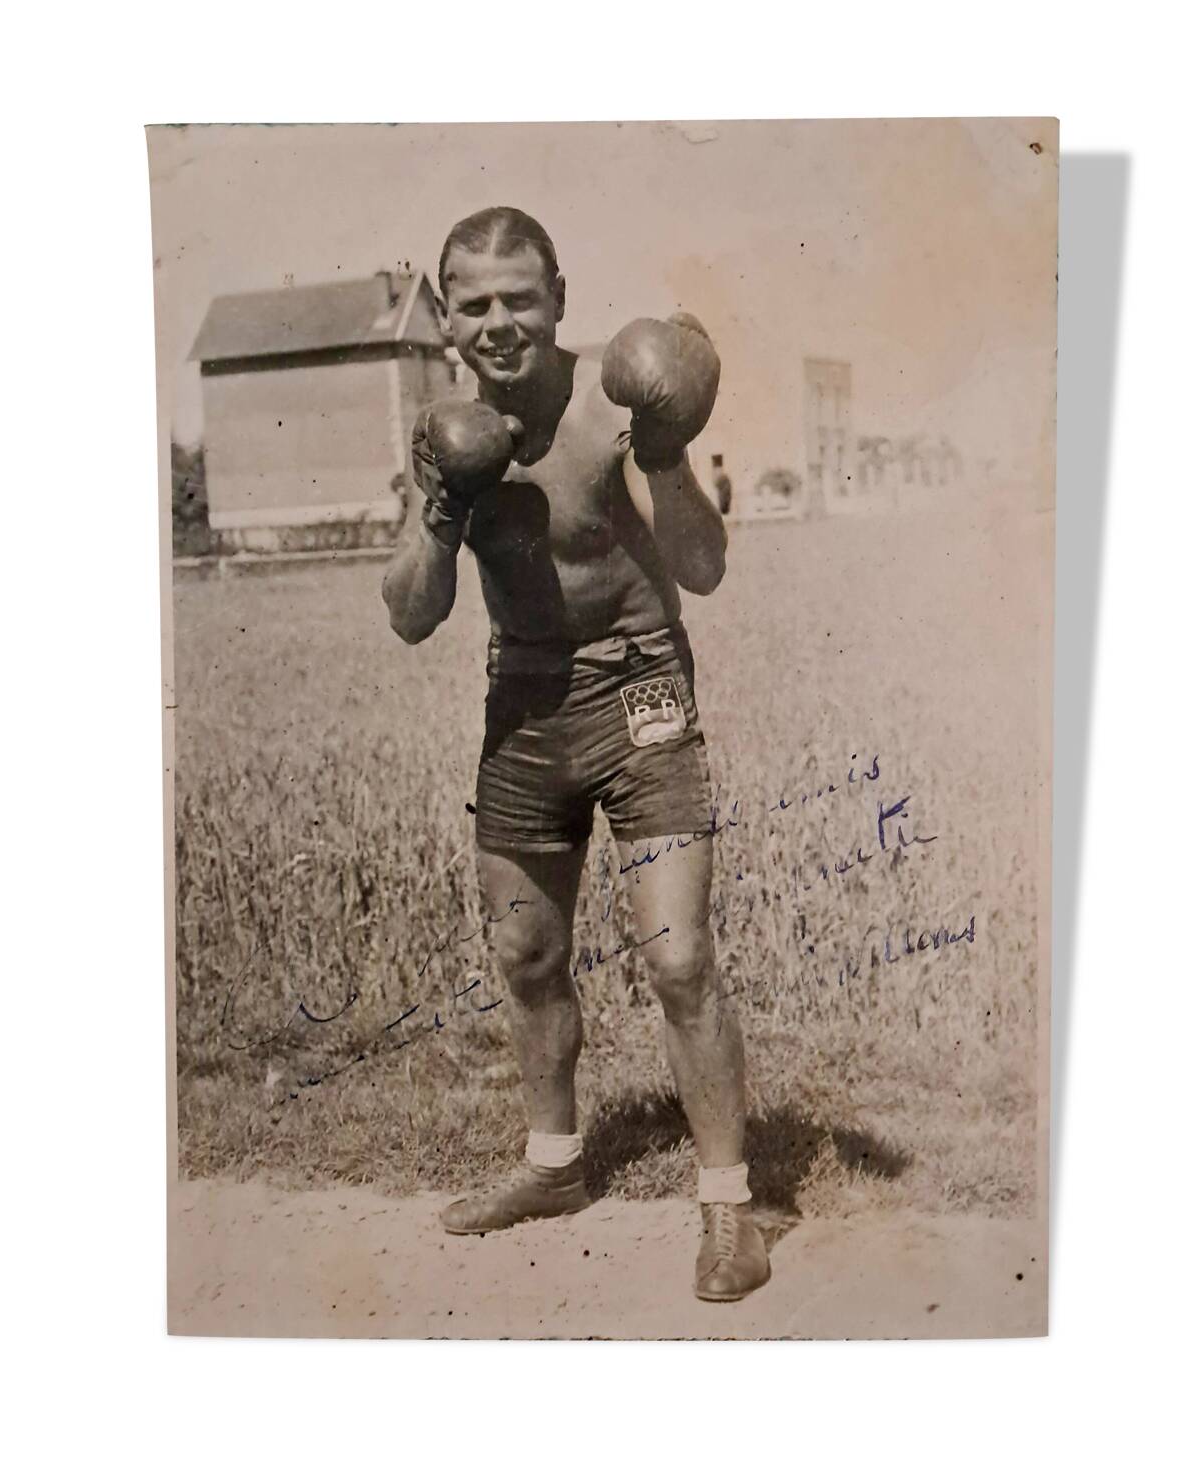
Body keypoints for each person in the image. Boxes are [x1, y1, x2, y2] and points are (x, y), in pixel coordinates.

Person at [382, 207, 768, 1302]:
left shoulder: (613, 396)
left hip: (641, 690)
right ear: (447, 312)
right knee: (526, 957)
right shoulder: (442, 429)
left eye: (520, 298)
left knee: (677, 955)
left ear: (557, 295)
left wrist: (668, 451)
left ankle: (728, 1204)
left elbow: (701, 569)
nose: (499, 323)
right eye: (475, 303)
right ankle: (552, 1168)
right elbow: (410, 615)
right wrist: (438, 511)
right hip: (525, 704)